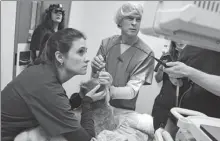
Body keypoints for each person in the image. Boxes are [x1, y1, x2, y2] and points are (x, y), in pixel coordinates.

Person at [1, 28, 112, 141]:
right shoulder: (46, 86)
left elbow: (56, 108)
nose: (87, 59)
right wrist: (87, 102)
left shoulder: (41, 72)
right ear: (59, 57)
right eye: (80, 52)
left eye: (85, 52)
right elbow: (87, 139)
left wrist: (81, 97)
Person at [91, 2, 155, 111]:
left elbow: (131, 91)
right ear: (120, 21)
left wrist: (108, 89)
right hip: (98, 104)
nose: (134, 23)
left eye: (138, 19)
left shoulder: (146, 53)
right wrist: (94, 70)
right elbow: (94, 78)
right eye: (130, 18)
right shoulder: (107, 44)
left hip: (123, 110)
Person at [164, 45, 220, 118]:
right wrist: (173, 76)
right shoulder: (191, 47)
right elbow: (179, 78)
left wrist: (189, 72)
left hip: (211, 120)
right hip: (181, 113)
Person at [152, 41, 185, 130]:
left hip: (181, 107)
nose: (180, 40)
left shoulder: (192, 59)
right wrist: (160, 69)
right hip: (163, 103)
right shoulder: (166, 56)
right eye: (177, 38)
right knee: (157, 132)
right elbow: (158, 79)